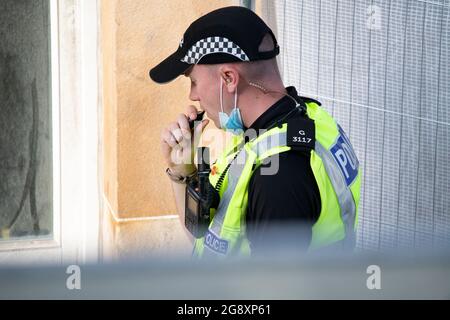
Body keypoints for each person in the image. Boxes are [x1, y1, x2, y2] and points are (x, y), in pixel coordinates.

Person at [150, 6, 361, 258]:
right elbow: (208, 241)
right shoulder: (283, 125)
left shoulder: (279, 176)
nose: (193, 96)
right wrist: (182, 172)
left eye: (194, 81)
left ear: (228, 78)